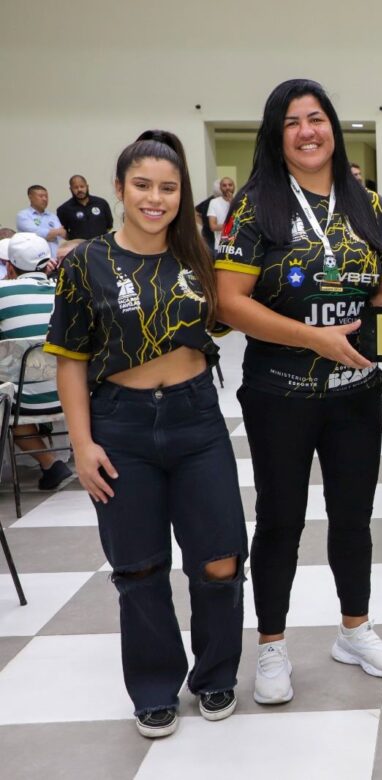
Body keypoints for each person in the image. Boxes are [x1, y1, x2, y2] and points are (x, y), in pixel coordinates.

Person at [45, 130, 248, 739]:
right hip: (121, 425)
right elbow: (70, 359)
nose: (154, 198)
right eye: (142, 186)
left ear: (183, 194)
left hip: (196, 421)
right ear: (118, 189)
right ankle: (155, 687)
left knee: (219, 559)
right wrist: (82, 445)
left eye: (167, 187)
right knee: (138, 568)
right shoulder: (86, 262)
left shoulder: (197, 253)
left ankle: (215, 675)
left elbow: (235, 315)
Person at [215, 78, 382, 706]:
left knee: (353, 517)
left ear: (333, 126)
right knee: (280, 521)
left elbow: (378, 297)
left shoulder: (369, 204)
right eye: (292, 121)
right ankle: (271, 646)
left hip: (356, 394)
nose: (306, 131)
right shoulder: (254, 205)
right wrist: (310, 337)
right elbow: (228, 302)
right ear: (276, 134)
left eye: (316, 118)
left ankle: (354, 629)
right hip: (279, 394)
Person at [0, 233, 73, 490]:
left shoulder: (2, 291)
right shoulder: (66, 289)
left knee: (5, 399)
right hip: (73, 396)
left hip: (25, 406)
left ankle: (49, 463)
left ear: (10, 266)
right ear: (49, 263)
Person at [56, 175, 114, 240]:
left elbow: (109, 225)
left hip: (101, 246)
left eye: (82, 186)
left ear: (87, 187)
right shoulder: (64, 209)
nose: (79, 189)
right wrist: (73, 241)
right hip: (79, 248)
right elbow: (62, 231)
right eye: (76, 187)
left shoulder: (101, 203)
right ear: (71, 189)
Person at [16, 185, 67, 257]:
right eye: (41, 196)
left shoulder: (52, 216)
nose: (44, 199)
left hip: (54, 259)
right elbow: (36, 235)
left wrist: (53, 234)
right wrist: (56, 232)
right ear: (30, 197)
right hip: (33, 259)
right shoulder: (23, 215)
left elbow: (62, 235)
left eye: (46, 196)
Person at [205, 177, 235, 250]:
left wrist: (233, 203)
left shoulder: (241, 201)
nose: (227, 187)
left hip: (237, 247)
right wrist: (232, 225)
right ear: (220, 188)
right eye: (224, 185)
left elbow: (243, 223)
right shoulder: (214, 202)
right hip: (220, 247)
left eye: (230, 185)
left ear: (234, 186)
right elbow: (213, 227)